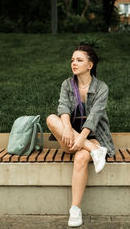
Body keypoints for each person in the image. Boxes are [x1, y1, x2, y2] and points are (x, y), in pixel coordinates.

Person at [46, 44, 115, 227]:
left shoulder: (101, 88)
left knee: (82, 157)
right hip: (70, 138)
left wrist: (83, 140)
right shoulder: (67, 85)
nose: (74, 63)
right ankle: (95, 151)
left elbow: (95, 117)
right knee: (52, 119)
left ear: (90, 65)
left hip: (92, 136)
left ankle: (75, 210)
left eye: (79, 60)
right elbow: (63, 108)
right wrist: (67, 128)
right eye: (72, 60)